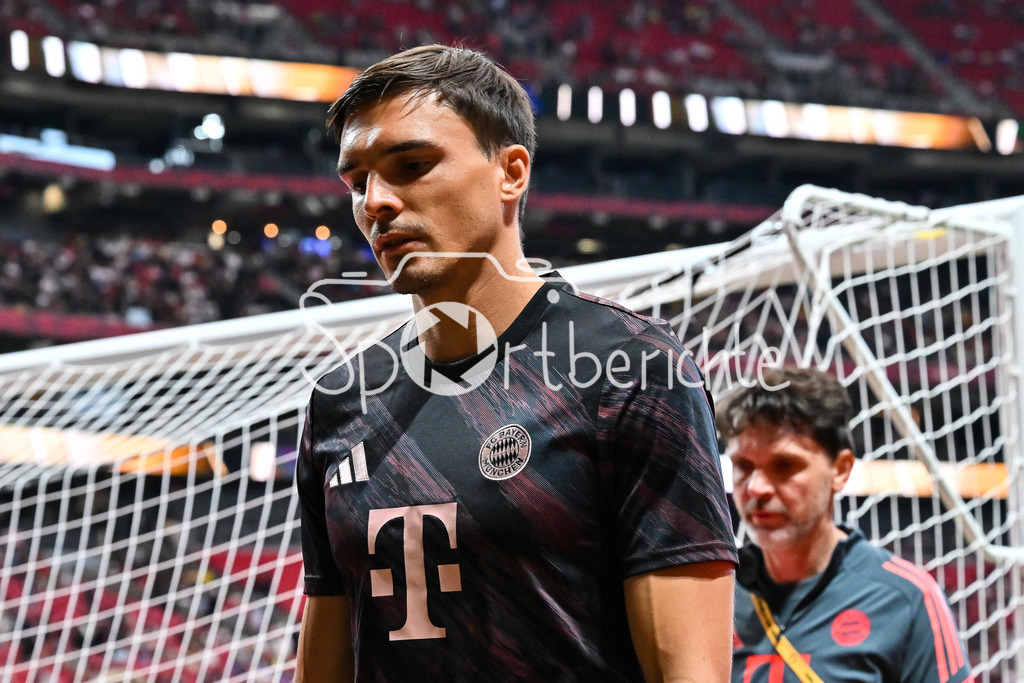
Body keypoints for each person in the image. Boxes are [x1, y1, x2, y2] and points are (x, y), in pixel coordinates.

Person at [294, 44, 738, 681]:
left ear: (512, 172)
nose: (376, 202)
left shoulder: (630, 367)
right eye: (357, 180)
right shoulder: (340, 401)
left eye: (412, 165)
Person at [718, 367, 973, 683]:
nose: (756, 488)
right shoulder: (715, 589)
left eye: (784, 465)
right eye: (743, 466)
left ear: (840, 470)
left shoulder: (905, 597)